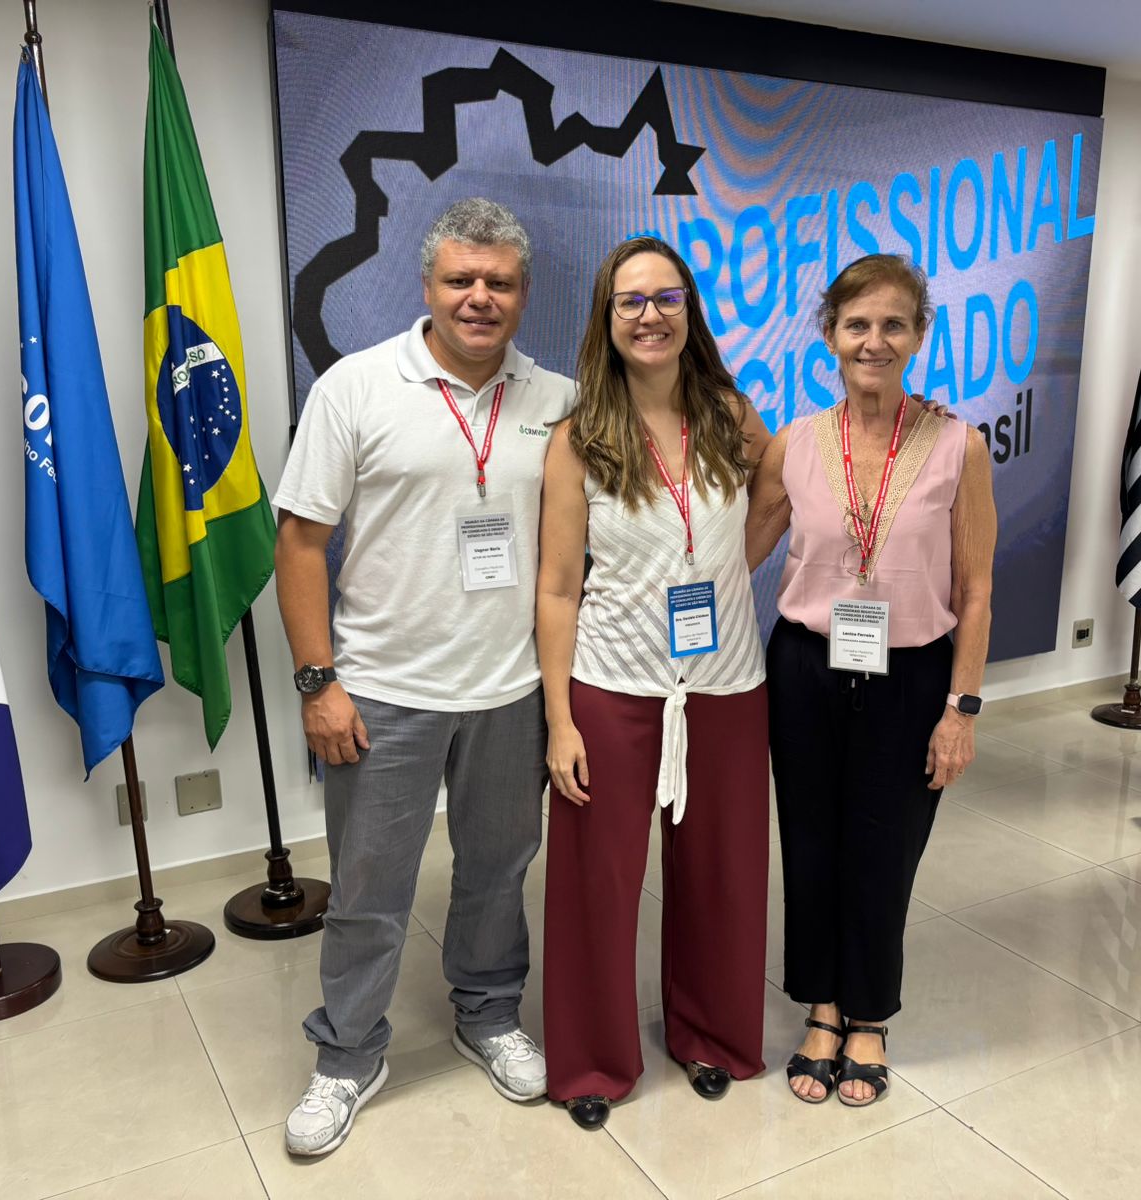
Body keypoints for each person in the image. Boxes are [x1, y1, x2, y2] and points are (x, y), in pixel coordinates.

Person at [272, 198, 573, 1157]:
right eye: (461, 279)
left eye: (500, 283)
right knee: (368, 887)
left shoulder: (558, 401)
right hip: (382, 693)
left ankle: (487, 1016)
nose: (479, 298)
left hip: (510, 692)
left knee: (496, 873)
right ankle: (348, 1054)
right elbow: (301, 541)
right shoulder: (356, 388)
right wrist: (319, 682)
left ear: (525, 294)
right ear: (428, 287)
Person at [746, 254, 996, 1106]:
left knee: (885, 850)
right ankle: (821, 1004)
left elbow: (976, 588)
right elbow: (737, 547)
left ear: (920, 336)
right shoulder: (795, 442)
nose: (874, 341)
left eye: (894, 325)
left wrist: (961, 707)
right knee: (810, 843)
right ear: (829, 336)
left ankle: (870, 1015)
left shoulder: (960, 446)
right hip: (807, 667)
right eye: (857, 325)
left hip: (912, 676)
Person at [536, 237, 772, 1130]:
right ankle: (595, 1061)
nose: (649, 315)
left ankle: (711, 1035)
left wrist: (723, 572)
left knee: (723, 871)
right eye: (629, 301)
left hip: (724, 683)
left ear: (689, 311)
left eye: (665, 298)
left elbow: (791, 489)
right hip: (610, 682)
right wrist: (560, 719)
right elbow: (557, 588)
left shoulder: (729, 415)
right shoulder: (580, 438)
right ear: (607, 318)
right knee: (597, 882)